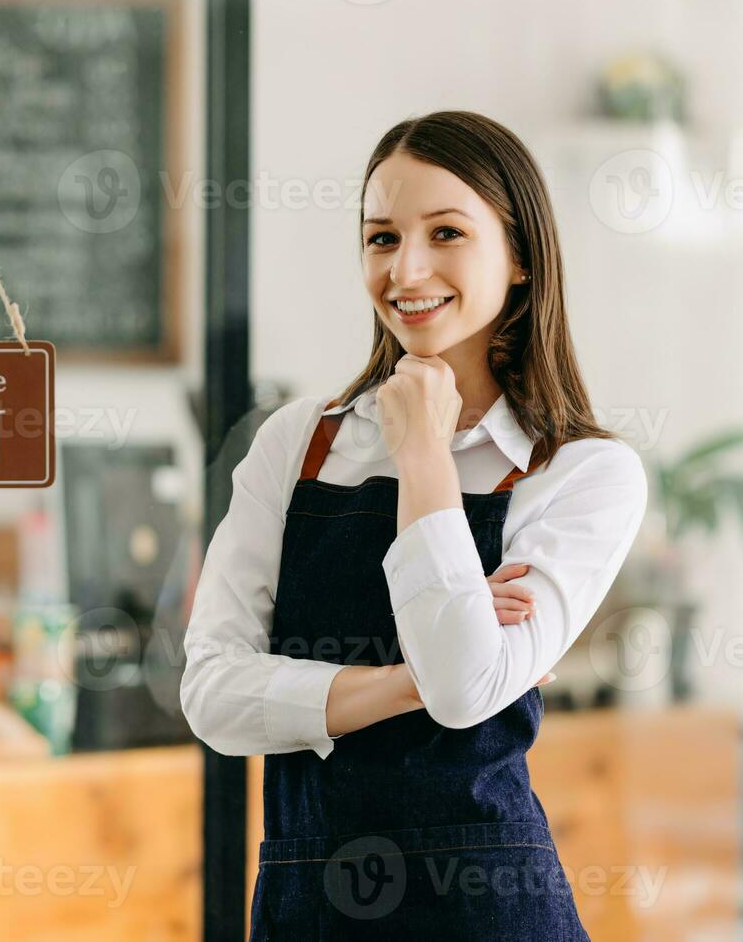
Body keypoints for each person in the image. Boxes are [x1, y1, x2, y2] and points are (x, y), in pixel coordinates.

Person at [179, 110, 649, 939]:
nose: (409, 267)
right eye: (383, 238)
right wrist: (406, 682)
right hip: (305, 902)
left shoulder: (581, 474)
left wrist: (424, 449)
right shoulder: (297, 442)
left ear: (522, 262)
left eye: (447, 232)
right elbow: (212, 696)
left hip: (487, 907)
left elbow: (466, 691)